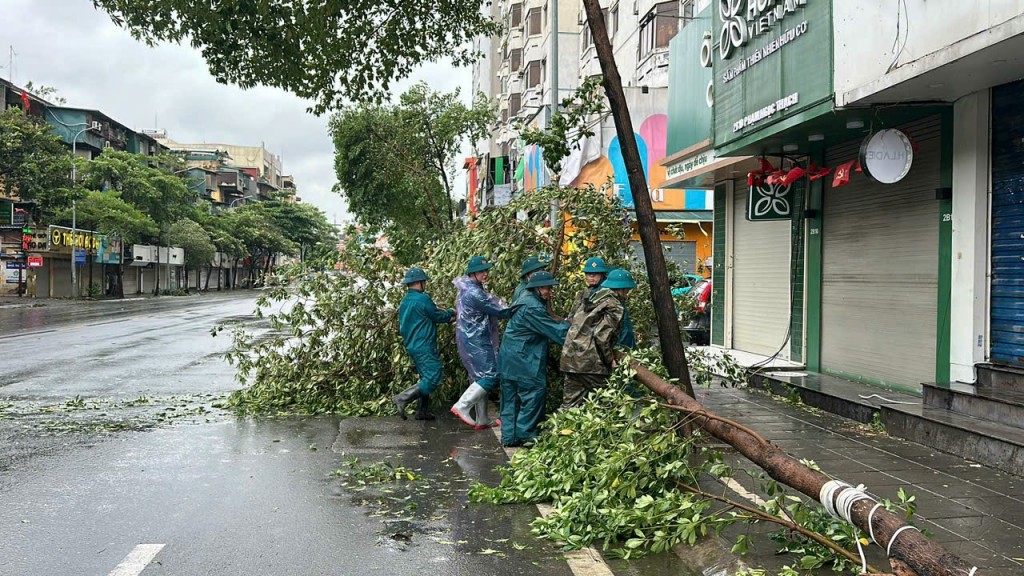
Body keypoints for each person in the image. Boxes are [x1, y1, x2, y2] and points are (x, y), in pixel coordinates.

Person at [497, 271, 570, 447]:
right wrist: (575, 329)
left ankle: (509, 436)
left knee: (510, 399)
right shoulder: (533, 307)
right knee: (533, 393)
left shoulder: (525, 299)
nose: (550, 292)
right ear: (537, 288)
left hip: (508, 359)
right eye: (547, 288)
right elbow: (557, 332)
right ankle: (527, 435)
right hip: (524, 359)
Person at [450, 256, 515, 429]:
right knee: (490, 375)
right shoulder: (475, 293)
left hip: (471, 337)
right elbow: (500, 310)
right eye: (481, 271)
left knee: (478, 377)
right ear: (472, 273)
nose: (485, 274)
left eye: (486, 271)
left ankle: (482, 419)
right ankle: (463, 405)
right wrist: (519, 307)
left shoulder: (469, 288)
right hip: (476, 339)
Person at [559, 268, 636, 407]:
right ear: (623, 289)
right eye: (627, 290)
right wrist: (610, 359)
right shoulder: (614, 305)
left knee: (570, 405)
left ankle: (560, 429)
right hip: (590, 362)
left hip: (570, 358)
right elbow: (601, 336)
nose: (628, 294)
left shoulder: (593, 298)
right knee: (610, 401)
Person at [392, 267, 455, 421]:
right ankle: (402, 398)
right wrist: (451, 313)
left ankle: (422, 411)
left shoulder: (405, 301)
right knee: (433, 378)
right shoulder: (423, 299)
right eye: (424, 281)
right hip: (424, 345)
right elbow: (436, 316)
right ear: (420, 282)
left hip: (412, 345)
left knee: (425, 377)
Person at [567, 256, 610, 320]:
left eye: (595, 274)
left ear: (602, 275)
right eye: (589, 274)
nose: (591, 277)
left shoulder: (607, 291)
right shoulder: (585, 292)